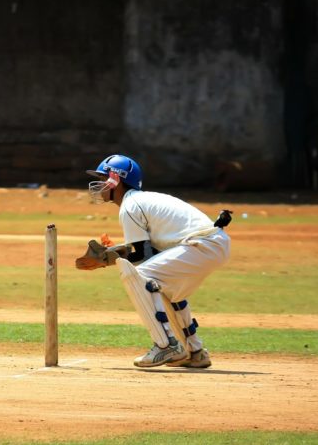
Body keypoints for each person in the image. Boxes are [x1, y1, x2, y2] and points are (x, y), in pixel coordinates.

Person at [75, 154, 231, 369]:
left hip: (202, 244)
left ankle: (165, 345)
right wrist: (110, 255)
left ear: (116, 179)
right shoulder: (142, 200)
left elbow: (140, 256)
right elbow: (150, 251)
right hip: (210, 244)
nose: (99, 184)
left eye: (103, 178)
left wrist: (105, 259)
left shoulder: (131, 205)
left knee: (141, 276)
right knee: (166, 288)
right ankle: (194, 352)